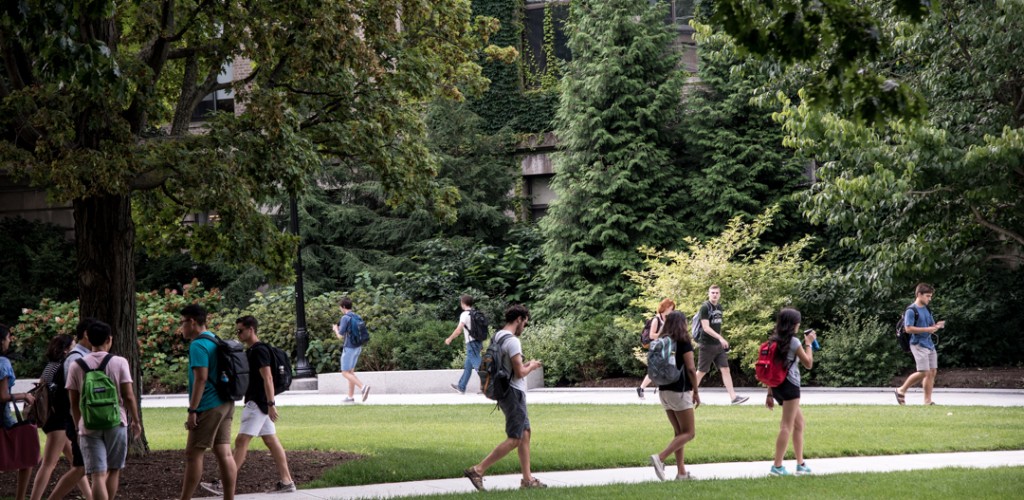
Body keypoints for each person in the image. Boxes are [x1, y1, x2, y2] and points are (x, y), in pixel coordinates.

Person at [200, 316, 296, 495]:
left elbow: (267, 377)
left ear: (251, 329)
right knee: (271, 440)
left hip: (258, 403)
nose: (238, 334)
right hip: (261, 402)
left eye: (240, 330)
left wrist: (270, 403)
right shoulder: (256, 349)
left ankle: (224, 484)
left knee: (241, 441)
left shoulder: (259, 351)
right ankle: (287, 482)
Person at [463, 304, 545, 491]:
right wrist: (532, 365)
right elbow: (520, 372)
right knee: (515, 438)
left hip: (504, 391)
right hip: (513, 393)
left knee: (525, 433)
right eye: (525, 322)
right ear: (519, 319)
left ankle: (527, 480)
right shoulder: (513, 341)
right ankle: (478, 470)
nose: (524, 326)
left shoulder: (498, 336)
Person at [66, 321, 142, 500]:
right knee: (113, 469)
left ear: (88, 338)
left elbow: (74, 402)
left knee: (97, 475)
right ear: (109, 339)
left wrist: (79, 426)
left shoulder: (76, 365)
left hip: (89, 424)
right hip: (116, 421)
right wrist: (136, 421)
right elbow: (129, 396)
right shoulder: (119, 362)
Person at [179, 304, 237, 500]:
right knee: (224, 453)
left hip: (209, 405)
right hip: (226, 402)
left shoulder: (197, 344)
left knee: (193, 454)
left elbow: (201, 378)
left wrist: (192, 409)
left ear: (192, 322)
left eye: (183, 323)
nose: (181, 328)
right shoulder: (213, 338)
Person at [30, 334, 91, 500]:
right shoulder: (64, 366)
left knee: (77, 464)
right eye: (72, 345)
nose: (75, 348)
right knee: (49, 464)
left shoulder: (49, 366)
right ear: (66, 350)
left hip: (51, 417)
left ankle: (90, 496)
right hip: (59, 420)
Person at [46, 319, 96, 500]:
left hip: (80, 420)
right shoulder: (76, 358)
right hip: (77, 420)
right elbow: (74, 395)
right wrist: (79, 424)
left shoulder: (82, 356)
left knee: (85, 466)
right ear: (86, 335)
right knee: (80, 467)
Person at [648, 311, 700, 481]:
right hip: (679, 391)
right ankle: (660, 457)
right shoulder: (683, 342)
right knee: (690, 433)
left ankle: (682, 473)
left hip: (663, 391)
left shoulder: (663, 341)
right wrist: (696, 391)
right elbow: (691, 369)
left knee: (679, 433)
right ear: (682, 324)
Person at [764, 308, 816, 476]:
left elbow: (771, 370)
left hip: (778, 387)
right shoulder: (793, 342)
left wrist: (770, 394)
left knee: (799, 424)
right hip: (790, 386)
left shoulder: (773, 341)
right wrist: (808, 343)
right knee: (786, 426)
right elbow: (808, 363)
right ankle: (777, 467)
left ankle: (800, 464)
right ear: (794, 324)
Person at [693, 285, 748, 405]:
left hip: (718, 345)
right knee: (701, 371)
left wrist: (721, 340)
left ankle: (733, 398)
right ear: (708, 293)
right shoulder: (705, 307)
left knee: (725, 369)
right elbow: (706, 328)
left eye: (717, 293)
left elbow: (717, 326)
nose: (714, 295)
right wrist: (721, 338)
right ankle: (690, 395)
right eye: (712, 292)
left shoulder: (719, 307)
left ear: (720, 294)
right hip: (706, 344)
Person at [1, 324, 37, 500]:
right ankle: (20, 498)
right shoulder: (3, 363)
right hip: (3, 418)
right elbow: (2, 396)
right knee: (27, 454)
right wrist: (25, 395)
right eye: (8, 337)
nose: (10, 341)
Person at [894, 283, 946, 406]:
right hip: (918, 344)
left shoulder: (927, 309)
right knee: (923, 371)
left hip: (929, 344)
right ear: (919, 295)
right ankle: (901, 390)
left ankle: (927, 401)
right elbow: (908, 329)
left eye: (930, 296)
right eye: (928, 296)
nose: (930, 299)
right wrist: (927, 329)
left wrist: (937, 326)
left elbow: (931, 325)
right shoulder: (911, 310)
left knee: (932, 372)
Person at [332, 297, 370, 403]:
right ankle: (350, 397)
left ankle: (363, 387)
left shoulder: (345, 318)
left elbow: (340, 336)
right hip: (358, 347)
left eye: (340, 307)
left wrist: (336, 329)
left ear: (343, 307)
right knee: (351, 373)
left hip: (349, 348)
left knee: (345, 373)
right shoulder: (356, 316)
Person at [637, 299, 675, 399]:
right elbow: (652, 335)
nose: (672, 311)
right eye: (671, 308)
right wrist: (663, 335)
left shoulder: (667, 319)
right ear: (665, 308)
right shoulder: (656, 320)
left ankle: (643, 388)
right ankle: (642, 388)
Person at [445, 295, 482, 394]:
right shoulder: (476, 314)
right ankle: (461, 387)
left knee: (478, 365)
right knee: (468, 366)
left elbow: (458, 330)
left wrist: (450, 338)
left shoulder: (465, 315)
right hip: (478, 342)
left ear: (463, 303)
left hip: (471, 343)